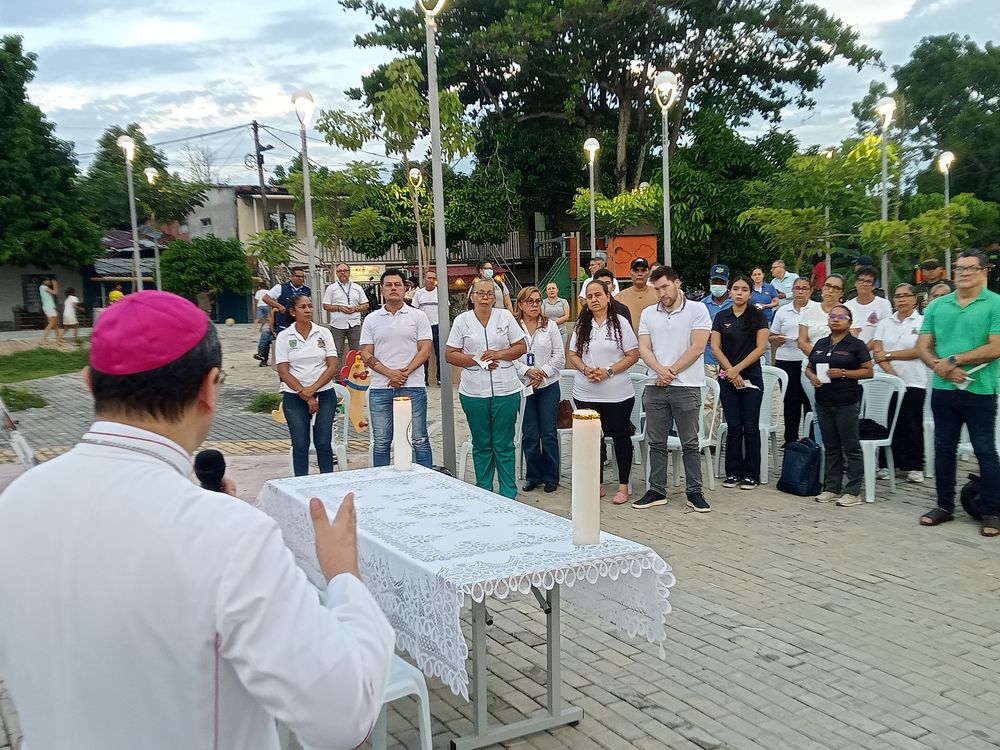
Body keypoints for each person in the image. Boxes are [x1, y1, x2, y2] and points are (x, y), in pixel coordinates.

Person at [0, 290, 395, 750]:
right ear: (209, 389)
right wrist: (344, 578)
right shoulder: (229, 536)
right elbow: (342, 718)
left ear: (90, 384)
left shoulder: (16, 505)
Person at [917, 249, 1000, 537]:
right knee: (943, 449)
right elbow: (923, 346)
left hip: (981, 390)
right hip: (943, 389)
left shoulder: (995, 304)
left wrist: (955, 360)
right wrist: (942, 369)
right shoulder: (938, 306)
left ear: (983, 271)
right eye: (958, 268)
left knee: (985, 450)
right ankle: (944, 506)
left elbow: (995, 348)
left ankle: (991, 511)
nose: (963, 273)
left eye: (969, 268)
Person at [634, 266, 713, 512]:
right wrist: (660, 370)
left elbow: (697, 347)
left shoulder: (697, 309)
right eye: (656, 289)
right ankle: (656, 489)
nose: (661, 294)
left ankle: (694, 491)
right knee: (655, 440)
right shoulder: (649, 313)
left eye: (665, 287)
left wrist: (670, 372)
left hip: (687, 384)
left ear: (677, 283)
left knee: (690, 441)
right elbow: (644, 348)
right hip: (655, 384)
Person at [446, 280, 527, 498]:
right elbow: (450, 354)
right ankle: (484, 490)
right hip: (474, 391)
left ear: (495, 298)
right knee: (481, 443)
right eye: (480, 293)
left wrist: (498, 354)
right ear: (471, 297)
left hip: (506, 389)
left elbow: (521, 346)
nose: (485, 297)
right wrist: (477, 360)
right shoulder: (462, 321)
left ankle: (509, 492)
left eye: (489, 294)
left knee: (504, 444)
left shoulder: (505, 317)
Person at [567, 279, 640, 505]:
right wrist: (586, 369)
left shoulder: (620, 323)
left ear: (608, 297)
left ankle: (623, 485)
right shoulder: (582, 324)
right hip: (586, 392)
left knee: (620, 437)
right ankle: (595, 482)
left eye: (598, 295)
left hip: (616, 393)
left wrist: (608, 371)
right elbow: (573, 354)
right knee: (591, 439)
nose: (594, 300)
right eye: (589, 296)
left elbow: (632, 355)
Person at [360, 270, 433, 469]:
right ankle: (382, 485)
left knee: (419, 439)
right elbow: (366, 353)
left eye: (398, 284)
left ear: (406, 288)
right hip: (380, 388)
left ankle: (427, 483)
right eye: (389, 285)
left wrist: (404, 374)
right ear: (382, 290)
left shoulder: (418, 316)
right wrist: (390, 374)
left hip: (413, 386)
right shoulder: (372, 319)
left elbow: (425, 350)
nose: (394, 288)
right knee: (382, 441)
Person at [806, 305, 874, 507]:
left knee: (850, 446)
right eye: (832, 316)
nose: (836, 320)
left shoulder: (856, 344)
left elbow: (868, 371)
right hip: (823, 400)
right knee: (831, 446)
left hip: (846, 401)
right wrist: (812, 377)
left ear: (849, 321)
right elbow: (809, 367)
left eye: (841, 317)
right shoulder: (821, 343)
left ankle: (853, 491)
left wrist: (844, 373)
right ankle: (831, 487)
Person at [711, 275, 769, 490]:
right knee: (734, 426)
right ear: (729, 291)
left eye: (744, 289)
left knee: (750, 426)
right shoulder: (721, 316)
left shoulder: (757, 316)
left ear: (750, 293)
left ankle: (751, 474)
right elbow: (716, 347)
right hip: (728, 378)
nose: (739, 293)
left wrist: (738, 369)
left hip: (751, 377)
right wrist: (730, 371)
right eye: (735, 289)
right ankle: (733, 472)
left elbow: (761, 347)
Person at [870, 283, 930, 483]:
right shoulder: (885, 323)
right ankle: (887, 464)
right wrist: (891, 372)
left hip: (913, 380)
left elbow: (918, 350)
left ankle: (914, 466)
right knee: (886, 422)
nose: (902, 299)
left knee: (911, 422)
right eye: (898, 296)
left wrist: (889, 355)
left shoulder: (923, 322)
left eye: (906, 295)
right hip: (887, 381)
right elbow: (877, 350)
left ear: (915, 299)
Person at [275, 295, 340, 476]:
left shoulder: (323, 333)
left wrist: (313, 389)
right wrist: (306, 394)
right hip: (295, 396)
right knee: (300, 444)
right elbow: (283, 371)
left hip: (325, 393)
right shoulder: (284, 336)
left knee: (323, 442)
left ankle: (327, 481)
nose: (308, 310)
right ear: (292, 312)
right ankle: (301, 484)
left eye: (310, 306)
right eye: (303, 307)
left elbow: (333, 365)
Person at [512, 286, 565, 492]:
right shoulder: (514, 327)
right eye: (530, 301)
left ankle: (551, 476)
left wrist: (541, 373)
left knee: (548, 432)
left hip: (548, 385)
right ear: (521, 305)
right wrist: (527, 372)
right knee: (530, 432)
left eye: (537, 301)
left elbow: (559, 356)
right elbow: (511, 355)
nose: (534, 305)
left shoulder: (549, 326)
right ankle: (533, 476)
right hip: (524, 385)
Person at [770, 277, 817, 444]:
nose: (800, 291)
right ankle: (790, 440)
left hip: (810, 361)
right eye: (797, 288)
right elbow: (771, 335)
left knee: (810, 401)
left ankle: (812, 440)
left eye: (804, 288)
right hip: (787, 358)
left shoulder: (817, 309)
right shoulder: (783, 311)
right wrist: (777, 339)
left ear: (810, 291)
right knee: (790, 401)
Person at [702, 264, 733, 439]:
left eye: (721, 281)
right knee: (709, 401)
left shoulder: (734, 302)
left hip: (730, 359)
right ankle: (711, 439)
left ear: (727, 282)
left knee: (729, 400)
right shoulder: (703, 304)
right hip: (708, 357)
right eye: (715, 281)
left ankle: (730, 435)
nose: (718, 284)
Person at [323, 263, 370, 359]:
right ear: (336, 273)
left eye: (345, 271)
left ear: (349, 272)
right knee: (337, 351)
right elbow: (325, 306)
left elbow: (365, 305)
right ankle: (337, 373)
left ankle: (355, 372)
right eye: (340, 271)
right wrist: (339, 308)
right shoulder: (331, 288)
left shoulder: (357, 288)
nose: (342, 273)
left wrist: (355, 309)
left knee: (356, 351)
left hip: (354, 323)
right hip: (337, 324)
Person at [798, 273, 846, 357]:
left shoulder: (848, 312)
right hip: (812, 361)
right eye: (828, 286)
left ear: (842, 293)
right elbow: (802, 341)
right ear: (822, 287)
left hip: (839, 363)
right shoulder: (808, 311)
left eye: (836, 288)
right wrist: (819, 357)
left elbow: (851, 341)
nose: (830, 291)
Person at [846, 266, 892, 344]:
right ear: (855, 283)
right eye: (861, 280)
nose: (864, 284)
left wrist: (864, 350)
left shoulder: (884, 304)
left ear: (873, 286)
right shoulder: (846, 307)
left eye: (868, 281)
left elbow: (885, 331)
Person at [410, 270, 441, 385]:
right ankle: (424, 378)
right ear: (424, 279)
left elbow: (445, 309)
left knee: (439, 354)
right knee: (423, 353)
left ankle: (440, 378)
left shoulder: (440, 292)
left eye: (433, 278)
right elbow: (414, 311)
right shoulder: (419, 294)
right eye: (429, 278)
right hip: (423, 328)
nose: (431, 280)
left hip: (438, 326)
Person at [615, 257, 658, 334]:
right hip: (629, 343)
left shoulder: (658, 294)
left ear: (648, 273)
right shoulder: (620, 297)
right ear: (630, 273)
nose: (639, 274)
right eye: (636, 270)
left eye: (643, 270)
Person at [262, 268, 310, 334]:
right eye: (298, 276)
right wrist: (279, 306)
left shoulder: (307, 290)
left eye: (302, 277)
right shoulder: (280, 287)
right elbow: (266, 298)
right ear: (291, 277)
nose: (300, 278)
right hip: (283, 323)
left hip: (300, 323)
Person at [39, 277, 62, 345]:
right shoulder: (43, 287)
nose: (49, 281)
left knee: (55, 324)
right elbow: (55, 292)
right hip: (49, 307)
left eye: (49, 280)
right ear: (43, 281)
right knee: (52, 323)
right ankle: (44, 339)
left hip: (49, 307)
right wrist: (55, 284)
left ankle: (58, 339)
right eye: (47, 280)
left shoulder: (42, 287)